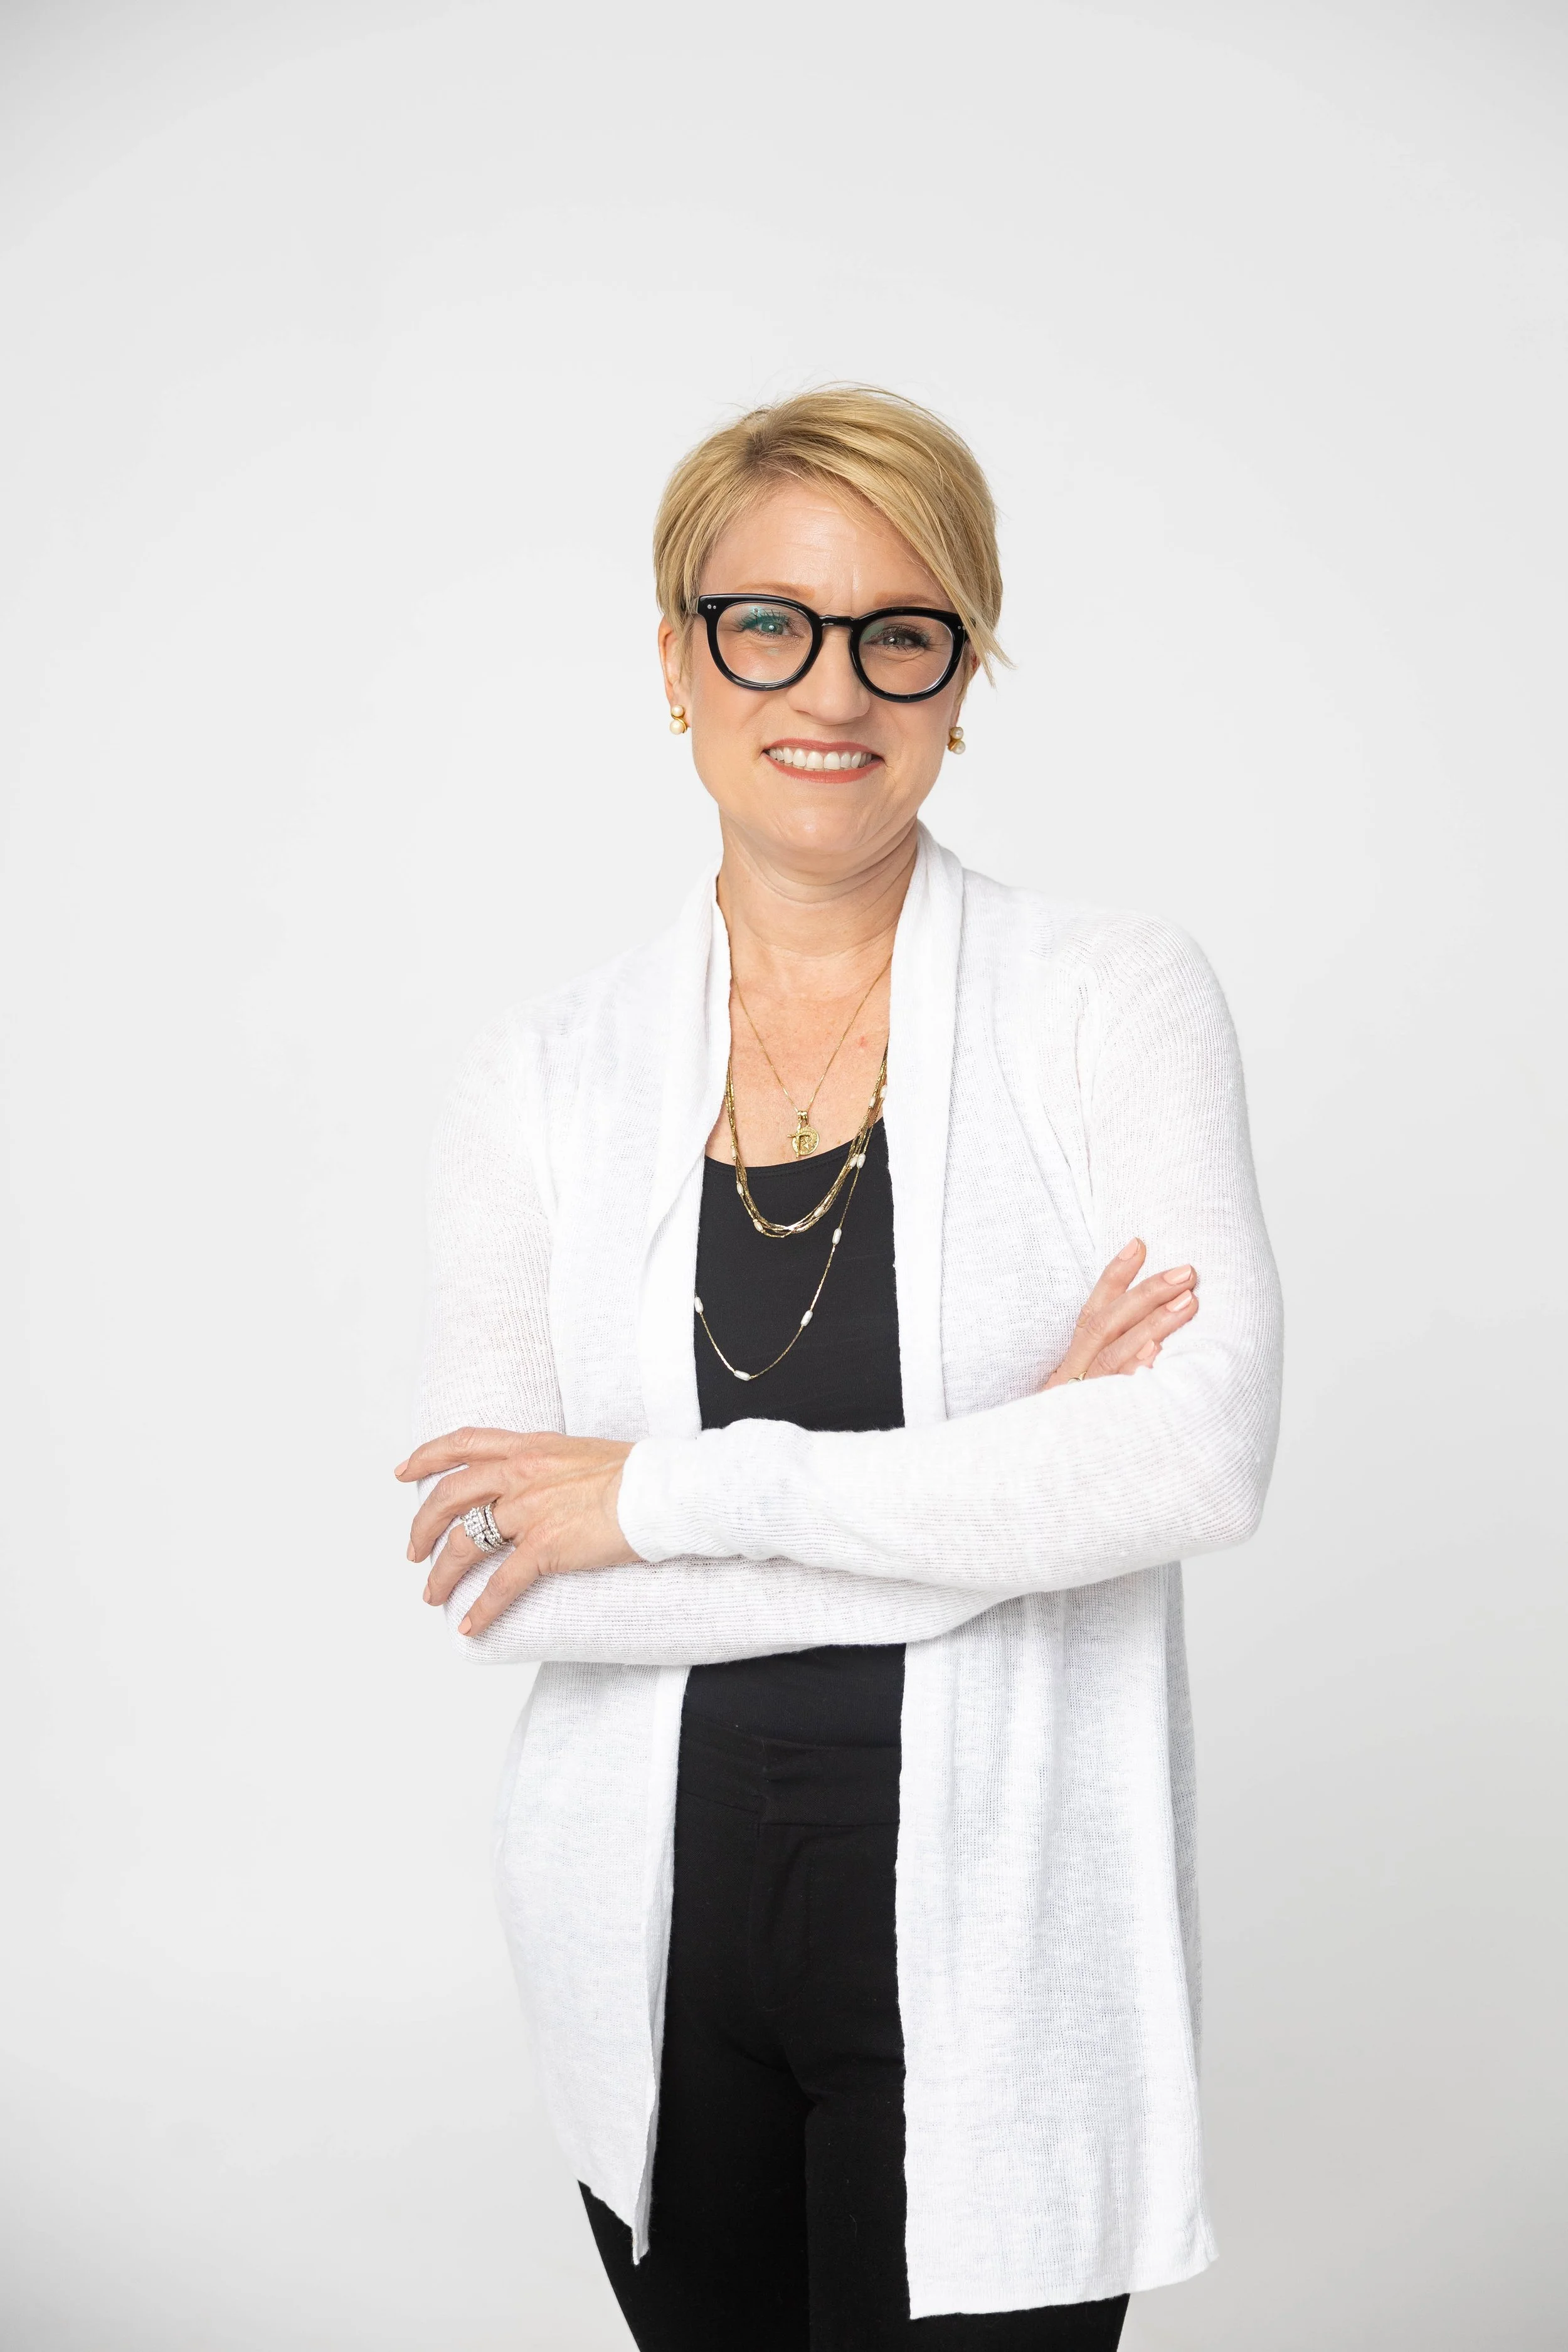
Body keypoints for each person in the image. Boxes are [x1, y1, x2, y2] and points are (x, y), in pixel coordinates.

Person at [396, 385, 1283, 2349]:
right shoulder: (535, 1082)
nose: (833, 683)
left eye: (904, 629)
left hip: (997, 1972)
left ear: (962, 678)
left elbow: (1195, 1464)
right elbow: (498, 1570)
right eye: (766, 620)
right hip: (652, 1977)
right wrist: (1014, 1469)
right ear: (674, 657)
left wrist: (650, 1491)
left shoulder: (1107, 1005)